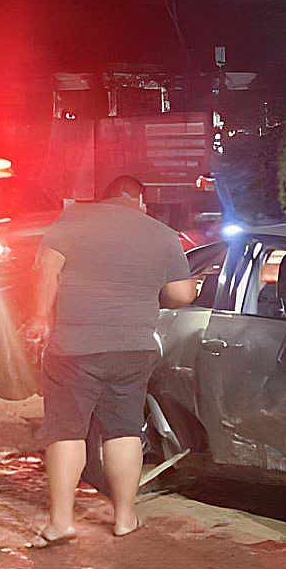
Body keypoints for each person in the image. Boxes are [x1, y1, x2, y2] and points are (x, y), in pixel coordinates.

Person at [24, 176, 198, 547]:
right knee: (124, 430)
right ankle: (124, 518)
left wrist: (39, 317)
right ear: (139, 200)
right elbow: (183, 294)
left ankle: (61, 522)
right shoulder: (162, 234)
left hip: (74, 348)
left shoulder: (72, 222)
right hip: (132, 349)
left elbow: (47, 269)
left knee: (66, 431)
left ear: (105, 198)